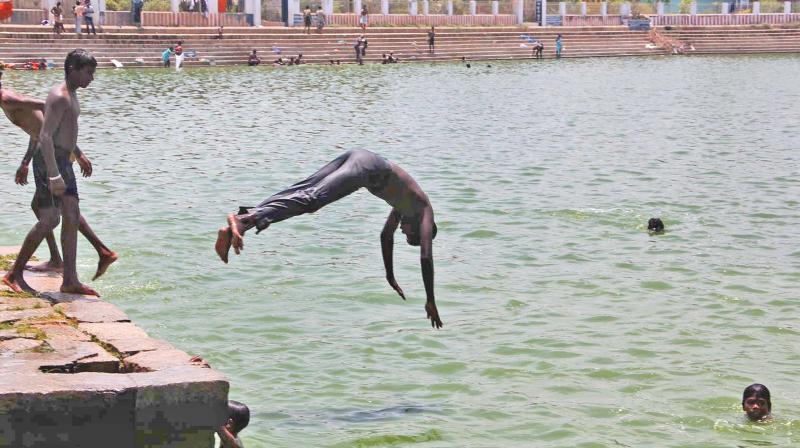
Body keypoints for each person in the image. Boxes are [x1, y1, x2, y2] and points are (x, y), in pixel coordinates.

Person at [214, 149, 443, 328]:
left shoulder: (407, 206)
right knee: (312, 199)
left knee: (303, 189)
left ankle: (240, 223)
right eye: (409, 234)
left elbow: (385, 236)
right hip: (368, 168)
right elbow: (426, 257)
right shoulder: (423, 211)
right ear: (422, 229)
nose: (404, 232)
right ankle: (244, 220)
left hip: (361, 157)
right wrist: (430, 300)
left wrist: (390, 277)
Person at [2, 49, 107, 297]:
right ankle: (13, 274)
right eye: (88, 72)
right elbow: (45, 135)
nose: (91, 78)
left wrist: (77, 155)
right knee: (50, 219)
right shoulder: (58, 97)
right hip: (51, 162)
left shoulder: (71, 94)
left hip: (64, 160)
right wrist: (53, 174)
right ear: (73, 70)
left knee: (71, 216)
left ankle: (69, 279)